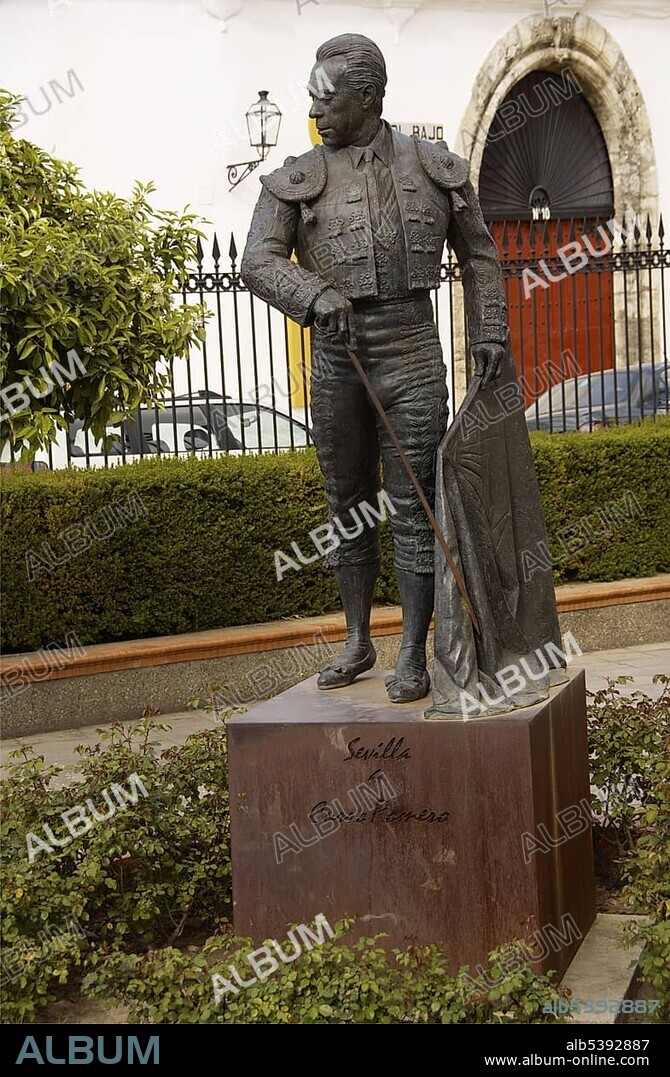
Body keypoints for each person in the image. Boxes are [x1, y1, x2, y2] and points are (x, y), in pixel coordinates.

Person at [241, 33, 507, 703]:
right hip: (338, 355)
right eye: (311, 97)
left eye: (324, 97)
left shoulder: (436, 166)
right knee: (347, 505)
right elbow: (257, 260)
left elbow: (480, 256)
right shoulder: (296, 178)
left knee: (418, 506)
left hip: (412, 349)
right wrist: (313, 292)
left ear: (366, 98)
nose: (314, 109)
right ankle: (358, 638)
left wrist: (490, 331)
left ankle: (412, 654)